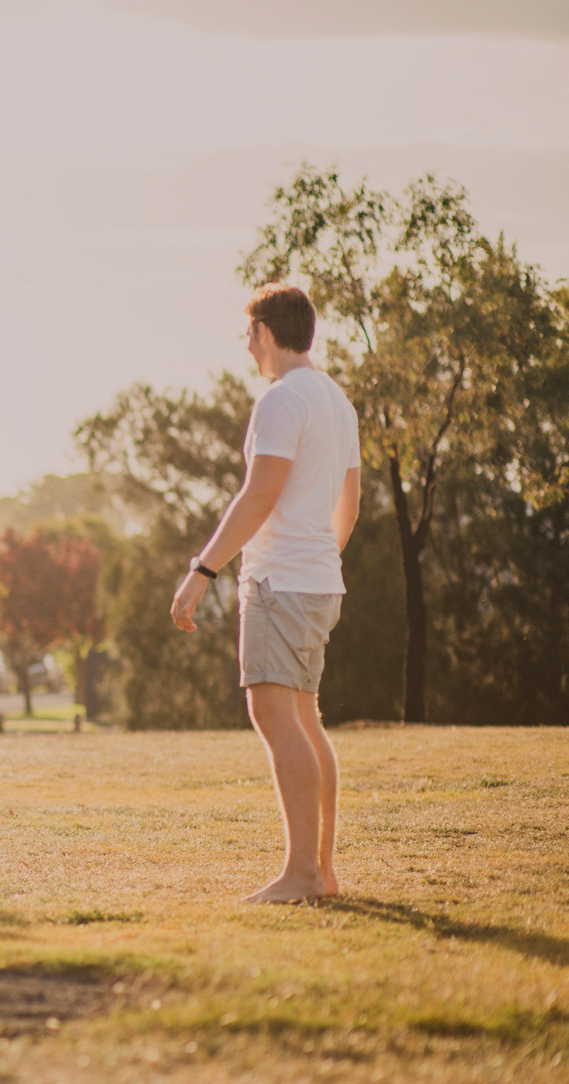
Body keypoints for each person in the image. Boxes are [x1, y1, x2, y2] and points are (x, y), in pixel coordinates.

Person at [171, 283, 360, 905]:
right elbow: (349, 503)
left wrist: (203, 571)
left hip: (280, 583)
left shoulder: (281, 401)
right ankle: (322, 872)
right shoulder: (336, 400)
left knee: (275, 718)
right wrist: (321, 559)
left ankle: (302, 874)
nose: (247, 347)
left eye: (248, 334)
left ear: (266, 334)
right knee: (304, 720)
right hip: (317, 581)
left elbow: (259, 495)